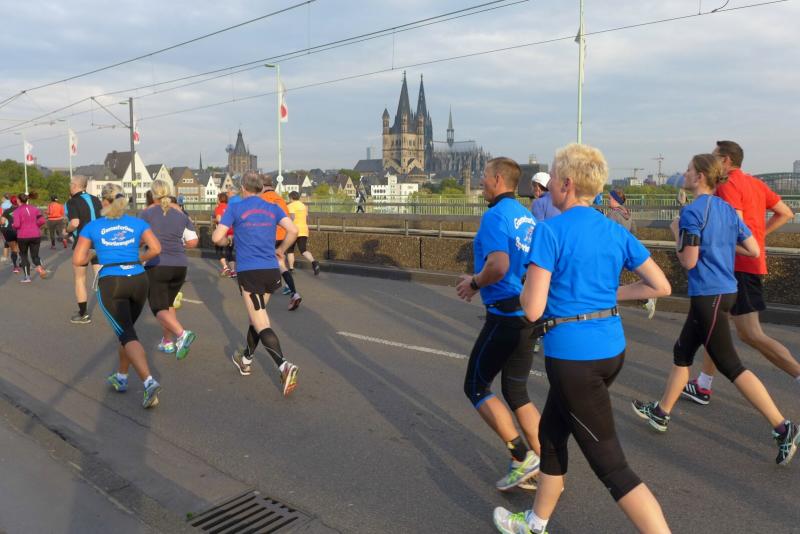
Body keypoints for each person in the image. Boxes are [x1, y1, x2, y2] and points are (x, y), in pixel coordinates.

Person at [493, 143, 672, 534]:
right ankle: (535, 523)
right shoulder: (614, 229)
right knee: (551, 434)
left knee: (612, 467)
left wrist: (521, 291)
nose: (549, 186)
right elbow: (660, 286)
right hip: (610, 350)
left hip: (574, 359)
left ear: (567, 184)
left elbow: (533, 309)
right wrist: (610, 295)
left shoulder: (550, 231)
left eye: (554, 178)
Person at [633, 153, 800, 466]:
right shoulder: (726, 209)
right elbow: (752, 249)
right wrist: (719, 245)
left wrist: (676, 231)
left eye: (688, 170)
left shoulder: (692, 212)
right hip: (727, 290)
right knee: (682, 352)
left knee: (730, 365)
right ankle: (661, 412)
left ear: (699, 177)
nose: (684, 173)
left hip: (707, 294)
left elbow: (689, 261)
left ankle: (783, 427)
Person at [684, 140, 799, 405]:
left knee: (751, 334)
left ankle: (797, 373)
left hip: (737, 267)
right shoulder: (756, 183)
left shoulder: (727, 186)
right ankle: (703, 384)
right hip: (746, 265)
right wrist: (759, 237)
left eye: (714, 157)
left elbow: (732, 224)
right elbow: (785, 213)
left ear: (725, 160)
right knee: (715, 327)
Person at [455, 157, 541, 492]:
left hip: (504, 315)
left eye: (484, 175)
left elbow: (499, 265)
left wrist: (474, 283)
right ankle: (546, 465)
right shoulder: (527, 217)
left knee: (475, 386)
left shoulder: (495, 215)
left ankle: (521, 458)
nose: (481, 180)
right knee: (517, 392)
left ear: (498, 179)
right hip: (528, 312)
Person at [73, 183, 164, 408]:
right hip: (139, 280)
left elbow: (78, 259)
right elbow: (156, 249)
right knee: (126, 330)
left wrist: (93, 253)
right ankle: (121, 377)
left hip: (112, 282)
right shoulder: (137, 223)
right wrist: (137, 259)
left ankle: (149, 382)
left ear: (104, 201)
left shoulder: (93, 226)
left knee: (126, 333)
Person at [212, 171, 301, 397]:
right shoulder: (272, 207)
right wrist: (281, 250)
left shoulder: (235, 207)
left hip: (250, 271)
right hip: (270, 270)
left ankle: (284, 366)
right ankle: (246, 359)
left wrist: (228, 239)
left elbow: (216, 238)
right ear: (261, 188)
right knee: (257, 318)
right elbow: (293, 230)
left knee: (261, 321)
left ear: (243, 188)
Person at [139, 179, 199, 359]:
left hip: (157, 265)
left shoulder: (147, 213)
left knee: (158, 307)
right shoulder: (181, 214)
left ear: (153, 194)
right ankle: (167, 341)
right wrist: (176, 244)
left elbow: (139, 240)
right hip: (180, 265)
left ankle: (182, 334)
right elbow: (193, 241)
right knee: (168, 304)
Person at [260, 175, 302, 310]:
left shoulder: (262, 199)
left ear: (262, 186)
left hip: (269, 236)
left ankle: (263, 293)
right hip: (283, 235)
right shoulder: (280, 199)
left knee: (263, 263)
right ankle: (294, 293)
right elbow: (288, 218)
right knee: (281, 264)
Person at [66, 175, 103, 324]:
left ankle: (83, 314)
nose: (69, 186)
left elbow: (74, 223)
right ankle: (114, 309)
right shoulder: (96, 199)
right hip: (99, 243)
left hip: (83, 244)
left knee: (80, 279)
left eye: (70, 184)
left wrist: (66, 230)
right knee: (101, 278)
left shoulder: (72, 201)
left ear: (75, 185)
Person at [12, 193, 47, 283]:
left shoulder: (17, 211)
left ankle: (27, 277)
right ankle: (40, 268)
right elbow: (42, 220)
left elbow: (17, 225)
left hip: (23, 236)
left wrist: (13, 226)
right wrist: (35, 226)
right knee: (35, 255)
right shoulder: (35, 209)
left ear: (18, 200)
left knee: (23, 255)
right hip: (35, 234)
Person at [286, 191, 320, 275]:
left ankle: (291, 268)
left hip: (294, 230)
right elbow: (306, 217)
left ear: (291, 198)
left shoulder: (290, 205)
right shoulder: (303, 206)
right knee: (303, 250)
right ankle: (314, 263)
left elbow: (292, 217)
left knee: (290, 250)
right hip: (304, 230)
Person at [213, 192, 235, 277]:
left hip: (222, 232)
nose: (216, 200)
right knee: (229, 251)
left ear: (219, 199)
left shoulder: (219, 208)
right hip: (231, 232)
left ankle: (226, 268)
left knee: (218, 250)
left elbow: (219, 219)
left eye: (217, 198)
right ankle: (233, 271)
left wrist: (214, 220)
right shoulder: (231, 207)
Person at [0, 195, 20, 272]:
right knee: (21, 248)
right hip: (20, 231)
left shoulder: (7, 211)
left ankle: (15, 267)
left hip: (10, 231)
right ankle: (21, 261)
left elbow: (2, 222)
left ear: (11, 202)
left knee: (13, 249)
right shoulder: (22, 209)